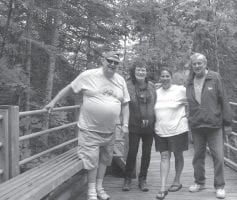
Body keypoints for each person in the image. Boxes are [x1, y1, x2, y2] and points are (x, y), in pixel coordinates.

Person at [44, 51, 130, 200]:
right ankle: (91, 192)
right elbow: (70, 88)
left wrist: (125, 124)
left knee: (104, 160)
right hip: (89, 129)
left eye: (116, 63)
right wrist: (53, 102)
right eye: (110, 61)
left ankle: (99, 187)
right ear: (103, 60)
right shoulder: (88, 75)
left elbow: (125, 104)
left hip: (110, 131)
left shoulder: (120, 80)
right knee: (92, 160)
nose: (112, 64)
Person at [186, 53, 232, 199]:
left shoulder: (215, 77)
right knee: (198, 156)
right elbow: (187, 101)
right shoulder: (189, 81)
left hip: (214, 125)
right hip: (197, 125)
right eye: (194, 64)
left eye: (200, 63)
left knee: (218, 156)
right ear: (192, 66)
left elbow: (224, 99)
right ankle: (199, 182)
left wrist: (228, 122)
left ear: (205, 64)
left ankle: (219, 186)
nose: (197, 66)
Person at [154, 68, 189, 200]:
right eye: (162, 76)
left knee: (178, 154)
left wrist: (189, 113)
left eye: (167, 76)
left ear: (171, 77)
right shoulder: (156, 92)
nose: (165, 78)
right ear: (160, 78)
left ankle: (177, 180)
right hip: (160, 130)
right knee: (164, 156)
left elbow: (193, 98)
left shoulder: (180, 89)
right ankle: (163, 188)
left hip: (178, 128)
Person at [122, 61, 156, 192]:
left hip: (149, 127)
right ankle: (128, 179)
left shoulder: (152, 86)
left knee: (147, 153)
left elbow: (155, 103)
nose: (141, 72)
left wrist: (150, 118)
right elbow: (124, 103)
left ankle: (143, 179)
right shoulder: (128, 85)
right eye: (138, 70)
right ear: (134, 71)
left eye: (143, 70)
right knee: (132, 152)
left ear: (146, 72)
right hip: (134, 125)